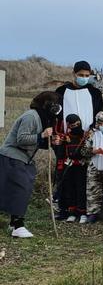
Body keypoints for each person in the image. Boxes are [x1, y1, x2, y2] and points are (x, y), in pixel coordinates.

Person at [0, 91, 59, 238]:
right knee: (21, 188)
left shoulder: (43, 118)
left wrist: (52, 141)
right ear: (46, 104)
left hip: (24, 158)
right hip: (13, 155)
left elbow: (37, 141)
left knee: (19, 189)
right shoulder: (31, 116)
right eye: (54, 103)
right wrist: (42, 135)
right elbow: (22, 139)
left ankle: (13, 223)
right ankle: (18, 225)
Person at [52, 113, 89, 223]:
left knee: (81, 189)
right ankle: (72, 212)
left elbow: (87, 152)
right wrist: (58, 144)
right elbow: (60, 153)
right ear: (68, 126)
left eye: (77, 124)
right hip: (68, 166)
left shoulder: (85, 136)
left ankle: (82, 212)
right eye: (72, 126)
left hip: (81, 167)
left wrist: (79, 155)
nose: (75, 127)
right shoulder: (65, 137)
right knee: (69, 189)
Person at [55, 60, 103, 132]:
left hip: (90, 135)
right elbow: (56, 115)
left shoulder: (95, 93)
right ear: (74, 74)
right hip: (67, 135)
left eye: (87, 76)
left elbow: (100, 114)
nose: (84, 78)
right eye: (81, 75)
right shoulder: (61, 91)